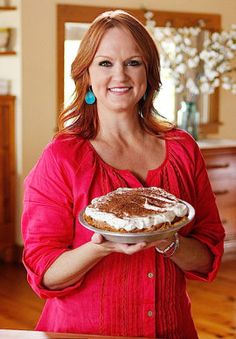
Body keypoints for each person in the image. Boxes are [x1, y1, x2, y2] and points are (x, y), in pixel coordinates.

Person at [21, 10, 225, 338]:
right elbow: (44, 274)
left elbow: (207, 257)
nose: (121, 75)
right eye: (105, 63)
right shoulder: (61, 158)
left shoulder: (183, 149)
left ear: (149, 73)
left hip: (171, 331)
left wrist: (167, 241)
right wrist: (100, 246)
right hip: (81, 333)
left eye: (133, 62)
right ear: (86, 75)